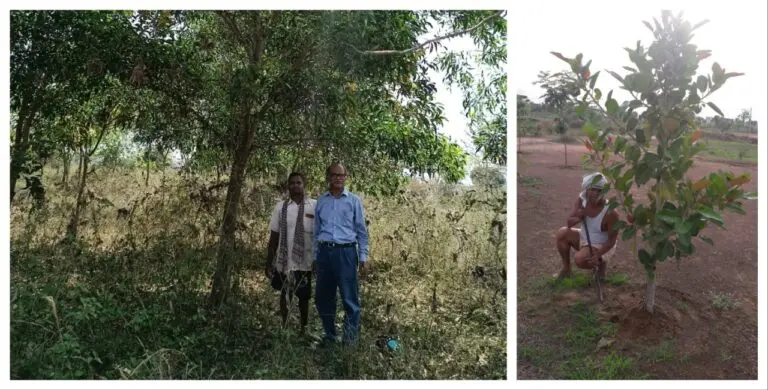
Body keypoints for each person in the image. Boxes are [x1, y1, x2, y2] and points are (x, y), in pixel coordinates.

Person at [313, 163, 369, 347]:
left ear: (346, 177)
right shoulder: (322, 201)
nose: (338, 178)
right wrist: (315, 256)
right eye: (334, 175)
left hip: (346, 253)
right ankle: (330, 336)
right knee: (323, 298)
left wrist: (363, 256)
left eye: (341, 175)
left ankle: (349, 341)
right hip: (324, 253)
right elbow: (317, 231)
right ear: (328, 177)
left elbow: (361, 230)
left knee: (349, 298)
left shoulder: (353, 201)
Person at [266, 172, 316, 334]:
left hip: (305, 260)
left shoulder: (314, 206)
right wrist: (269, 260)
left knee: (304, 296)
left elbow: (319, 234)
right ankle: (285, 325)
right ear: (288, 186)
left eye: (298, 182)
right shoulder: (281, 207)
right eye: (292, 183)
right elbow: (274, 235)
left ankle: (303, 328)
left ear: (304, 184)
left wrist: (318, 259)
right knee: (284, 293)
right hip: (284, 259)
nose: (295, 185)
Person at [554, 172, 618, 281]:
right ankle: (566, 269)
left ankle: (601, 265)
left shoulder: (611, 212)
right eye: (593, 189)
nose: (596, 193)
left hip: (602, 245)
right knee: (562, 233)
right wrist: (579, 217)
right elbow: (569, 223)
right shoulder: (581, 200)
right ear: (586, 189)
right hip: (584, 238)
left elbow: (611, 241)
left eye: (600, 190)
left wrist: (598, 254)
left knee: (580, 260)